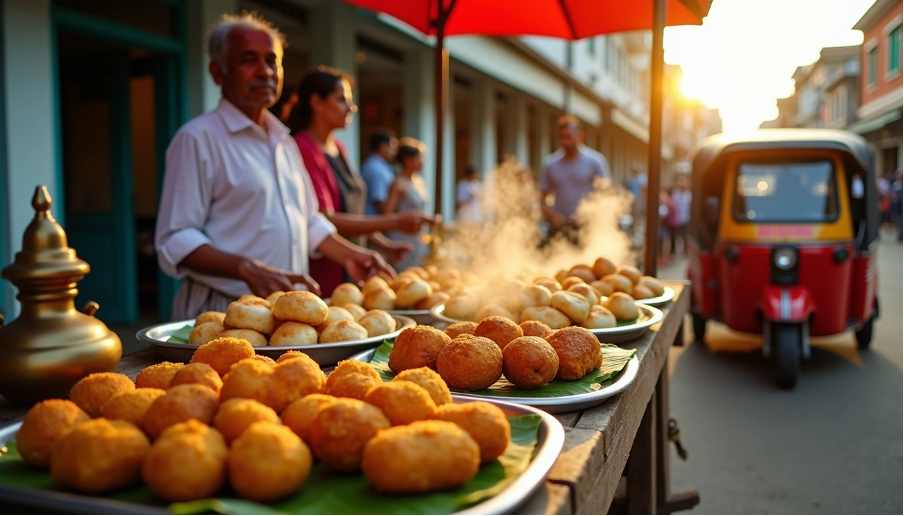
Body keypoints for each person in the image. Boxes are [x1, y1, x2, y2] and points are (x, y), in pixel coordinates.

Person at [155, 13, 393, 320]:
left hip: (284, 314)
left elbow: (308, 220)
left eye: (272, 61)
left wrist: (350, 254)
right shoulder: (198, 138)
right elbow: (175, 237)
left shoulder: (284, 141)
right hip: (220, 311)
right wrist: (245, 267)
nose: (265, 71)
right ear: (217, 72)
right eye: (248, 60)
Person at [287, 67, 436, 296]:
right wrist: (394, 222)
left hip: (354, 262)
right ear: (316, 102)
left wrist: (384, 245)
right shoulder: (303, 147)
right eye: (342, 100)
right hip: (326, 268)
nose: (351, 107)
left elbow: (353, 212)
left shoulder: (338, 147)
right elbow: (323, 219)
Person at [538, 116, 612, 247]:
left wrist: (593, 216)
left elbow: (606, 195)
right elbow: (542, 199)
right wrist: (552, 216)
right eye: (562, 137)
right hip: (559, 228)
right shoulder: (550, 164)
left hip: (587, 229)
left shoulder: (595, 162)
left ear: (580, 135)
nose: (565, 141)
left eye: (569, 137)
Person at [383, 138, 434, 270]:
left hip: (419, 239)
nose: (423, 161)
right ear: (407, 160)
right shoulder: (398, 183)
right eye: (419, 158)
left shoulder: (419, 181)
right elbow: (387, 215)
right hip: (403, 239)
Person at [361, 129, 399, 216]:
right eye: (393, 148)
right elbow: (380, 204)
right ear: (383, 147)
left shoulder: (381, 166)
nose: (395, 152)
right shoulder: (375, 169)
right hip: (374, 220)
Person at [671, 176, 692, 255]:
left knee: (684, 235)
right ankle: (673, 251)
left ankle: (685, 251)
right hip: (676, 218)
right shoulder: (675, 194)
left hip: (685, 218)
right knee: (675, 235)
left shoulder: (688, 195)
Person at [627, 163, 648, 232]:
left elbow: (645, 188)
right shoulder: (631, 178)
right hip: (632, 198)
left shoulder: (642, 178)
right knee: (634, 212)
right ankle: (634, 225)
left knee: (639, 212)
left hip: (639, 198)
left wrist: (644, 197)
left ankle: (638, 225)